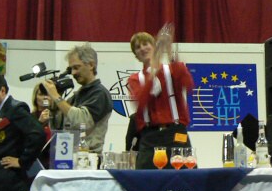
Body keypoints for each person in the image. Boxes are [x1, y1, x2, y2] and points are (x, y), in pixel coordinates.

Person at [126, 26, 194, 169]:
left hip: (176, 133)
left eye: (145, 44)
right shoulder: (135, 79)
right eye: (138, 47)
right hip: (149, 137)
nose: (142, 48)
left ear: (154, 47)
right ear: (136, 56)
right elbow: (142, 101)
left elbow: (188, 85)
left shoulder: (172, 69)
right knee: (145, 179)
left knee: (186, 177)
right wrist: (154, 68)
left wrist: (168, 50)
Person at [43, 43, 113, 154]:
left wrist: (56, 96)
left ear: (91, 65)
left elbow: (81, 122)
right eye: (71, 69)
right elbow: (58, 127)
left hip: (88, 157)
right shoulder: (77, 95)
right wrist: (54, 106)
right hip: (68, 155)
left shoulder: (100, 93)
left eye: (76, 67)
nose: (73, 73)